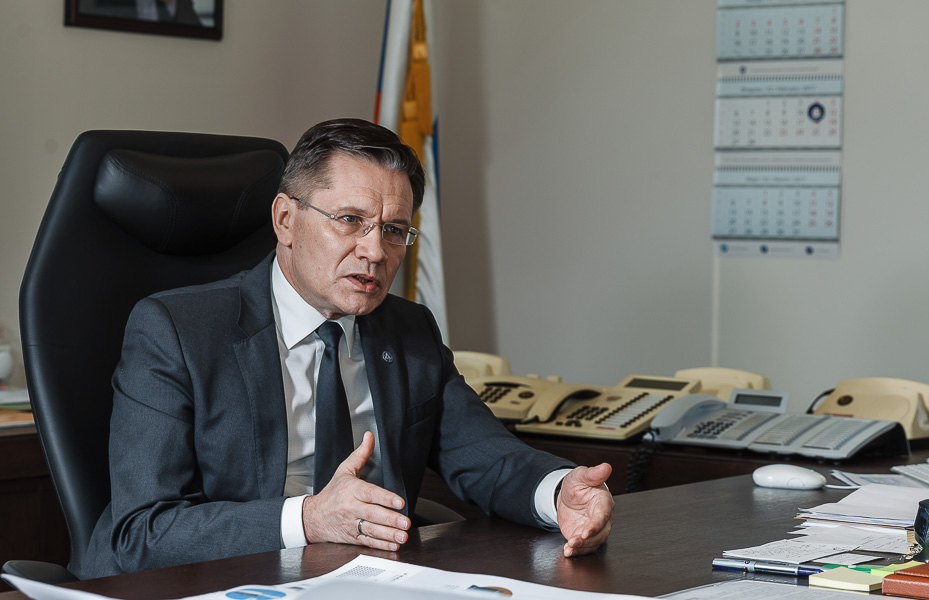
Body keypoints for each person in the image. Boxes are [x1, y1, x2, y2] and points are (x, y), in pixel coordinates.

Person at [79, 118, 614, 578]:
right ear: (285, 220)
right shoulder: (175, 331)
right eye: (350, 220)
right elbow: (141, 533)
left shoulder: (409, 330)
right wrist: (310, 518)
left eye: (395, 230)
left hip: (363, 579)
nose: (375, 251)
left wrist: (558, 491)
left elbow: (487, 458)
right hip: (214, 581)